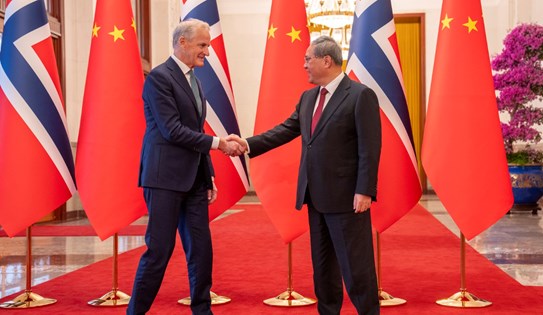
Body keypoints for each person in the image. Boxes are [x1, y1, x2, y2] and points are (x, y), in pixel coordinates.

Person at [229, 35, 381, 315]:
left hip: (348, 199)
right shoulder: (309, 97)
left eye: (308, 59)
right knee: (323, 269)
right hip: (316, 196)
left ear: (326, 60)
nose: (304, 65)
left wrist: (365, 190)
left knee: (356, 269)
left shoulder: (360, 96)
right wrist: (246, 144)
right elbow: (285, 130)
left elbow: (369, 148)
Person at [127, 19, 242, 315]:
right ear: (183, 43)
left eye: (208, 45)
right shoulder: (159, 78)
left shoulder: (195, 80)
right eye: (203, 45)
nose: (208, 51)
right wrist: (219, 144)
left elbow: (196, 128)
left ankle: (202, 311)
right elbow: (172, 131)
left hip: (194, 181)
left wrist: (209, 176)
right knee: (159, 252)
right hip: (164, 179)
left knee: (201, 251)